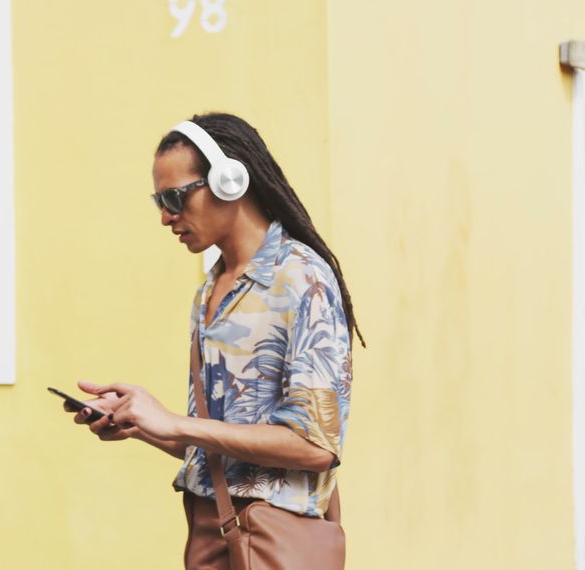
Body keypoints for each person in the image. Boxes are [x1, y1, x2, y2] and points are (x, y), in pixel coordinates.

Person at [64, 112, 364, 569]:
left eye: (175, 197)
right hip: (212, 532)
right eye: (158, 201)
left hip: (277, 540)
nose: (166, 216)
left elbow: (316, 447)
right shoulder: (211, 289)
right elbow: (224, 445)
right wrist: (142, 423)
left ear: (229, 181)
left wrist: (175, 423)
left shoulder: (302, 279)